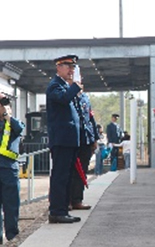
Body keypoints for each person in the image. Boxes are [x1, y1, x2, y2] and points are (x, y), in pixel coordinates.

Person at [46, 54, 83, 224]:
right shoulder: (55, 86)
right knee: (60, 176)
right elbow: (63, 99)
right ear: (58, 67)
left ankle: (63, 209)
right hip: (62, 140)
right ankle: (57, 211)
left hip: (68, 140)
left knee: (66, 176)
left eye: (73, 67)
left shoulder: (64, 86)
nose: (71, 70)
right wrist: (75, 86)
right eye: (68, 66)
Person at [68, 70, 99, 211]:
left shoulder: (85, 98)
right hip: (72, 140)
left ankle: (77, 200)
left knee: (82, 173)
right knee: (69, 173)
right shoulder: (68, 96)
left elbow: (90, 119)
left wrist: (94, 139)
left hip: (86, 140)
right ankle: (67, 200)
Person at [0, 94, 25, 244]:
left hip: (9, 169)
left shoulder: (13, 123)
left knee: (11, 205)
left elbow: (20, 128)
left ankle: (12, 236)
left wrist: (7, 115)